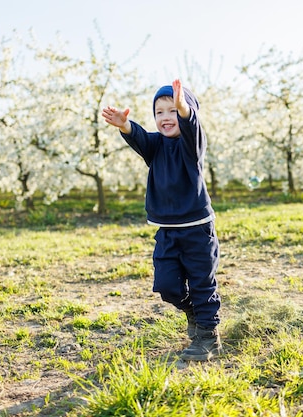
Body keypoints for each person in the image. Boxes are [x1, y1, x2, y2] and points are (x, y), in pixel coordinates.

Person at [101, 79, 221, 361]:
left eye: (172, 111)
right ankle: (192, 311)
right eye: (159, 112)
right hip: (166, 231)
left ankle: (208, 337)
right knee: (167, 286)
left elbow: (191, 125)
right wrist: (124, 125)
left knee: (202, 283)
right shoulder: (155, 146)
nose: (166, 118)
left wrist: (183, 109)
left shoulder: (192, 145)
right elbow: (140, 136)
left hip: (197, 229)